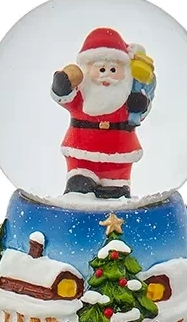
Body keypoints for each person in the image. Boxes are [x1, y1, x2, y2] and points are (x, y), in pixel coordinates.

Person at [51, 27, 156, 199]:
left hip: (119, 157)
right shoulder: (82, 94)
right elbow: (64, 98)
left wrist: (140, 104)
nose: (106, 75)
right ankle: (79, 190)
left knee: (116, 195)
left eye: (113, 70)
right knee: (79, 188)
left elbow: (138, 116)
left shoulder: (126, 96)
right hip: (81, 153)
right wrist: (61, 85)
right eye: (100, 69)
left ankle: (116, 196)